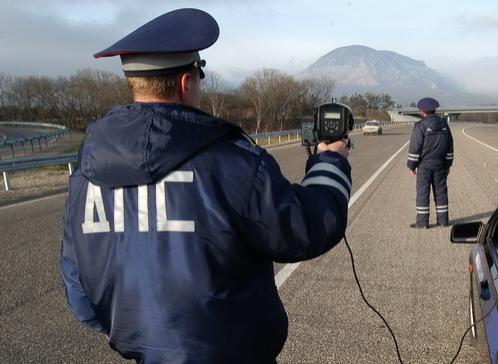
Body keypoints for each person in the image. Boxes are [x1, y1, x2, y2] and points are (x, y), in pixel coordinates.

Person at [60, 8, 351, 363]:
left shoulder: (85, 175)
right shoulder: (233, 162)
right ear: (187, 82)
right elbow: (307, 228)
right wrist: (332, 160)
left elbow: (79, 292)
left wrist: (149, 337)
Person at [407, 97, 454, 229]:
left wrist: (412, 166)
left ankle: (422, 223)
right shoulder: (444, 125)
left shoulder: (420, 126)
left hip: (424, 167)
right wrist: (448, 164)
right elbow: (450, 147)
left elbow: (415, 148)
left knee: (423, 193)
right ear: (434, 110)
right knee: (441, 193)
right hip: (440, 166)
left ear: (423, 112)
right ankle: (443, 221)